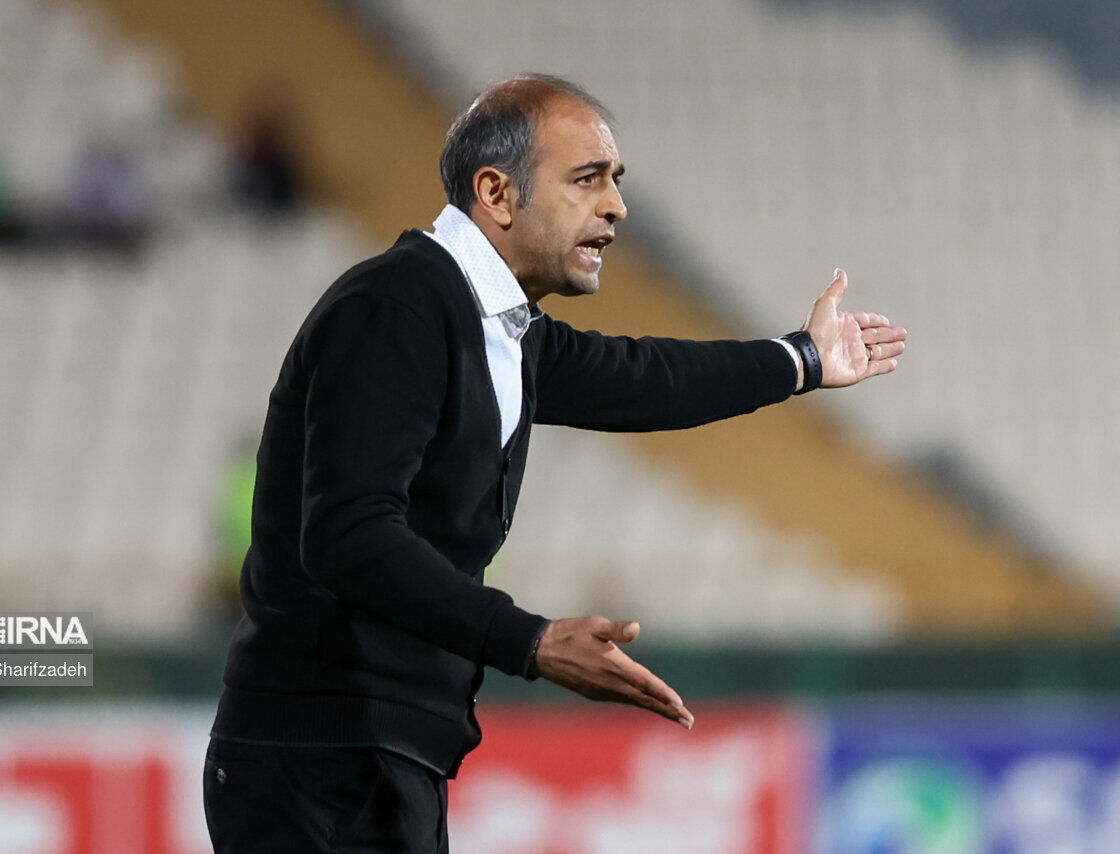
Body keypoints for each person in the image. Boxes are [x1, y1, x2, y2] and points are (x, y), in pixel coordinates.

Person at [204, 73, 906, 853]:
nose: (617, 206)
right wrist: (528, 640)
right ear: (497, 194)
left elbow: (646, 379)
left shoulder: (498, 327)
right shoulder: (396, 304)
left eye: (615, 181)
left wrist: (804, 358)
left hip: (376, 760)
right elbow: (346, 534)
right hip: (317, 761)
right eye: (588, 179)